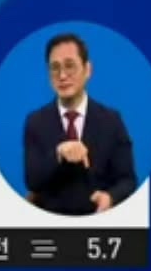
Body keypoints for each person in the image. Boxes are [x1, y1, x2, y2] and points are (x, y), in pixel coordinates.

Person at [23, 33, 137, 216]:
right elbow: (32, 181)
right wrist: (59, 153)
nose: (62, 75)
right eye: (55, 68)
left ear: (87, 70)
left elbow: (128, 180)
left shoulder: (111, 120)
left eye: (70, 66)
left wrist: (110, 197)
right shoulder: (36, 121)